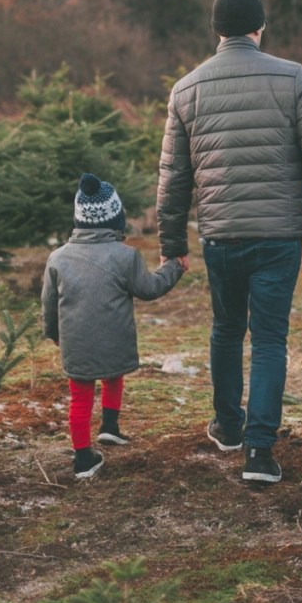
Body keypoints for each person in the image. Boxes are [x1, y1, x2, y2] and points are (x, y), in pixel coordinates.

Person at [157, 0, 302, 484]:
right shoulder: (292, 78)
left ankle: (227, 427)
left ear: (217, 31)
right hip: (278, 235)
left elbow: (173, 178)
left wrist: (172, 245)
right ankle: (260, 454)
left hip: (220, 235)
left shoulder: (186, 89)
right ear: (259, 28)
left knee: (225, 329)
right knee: (269, 340)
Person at [43, 173, 185, 479]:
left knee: (80, 397)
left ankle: (83, 457)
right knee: (113, 375)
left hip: (76, 342)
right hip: (115, 339)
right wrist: (173, 267)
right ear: (115, 218)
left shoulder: (57, 258)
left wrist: (55, 335)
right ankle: (110, 426)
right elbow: (149, 288)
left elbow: (49, 304)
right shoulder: (125, 256)